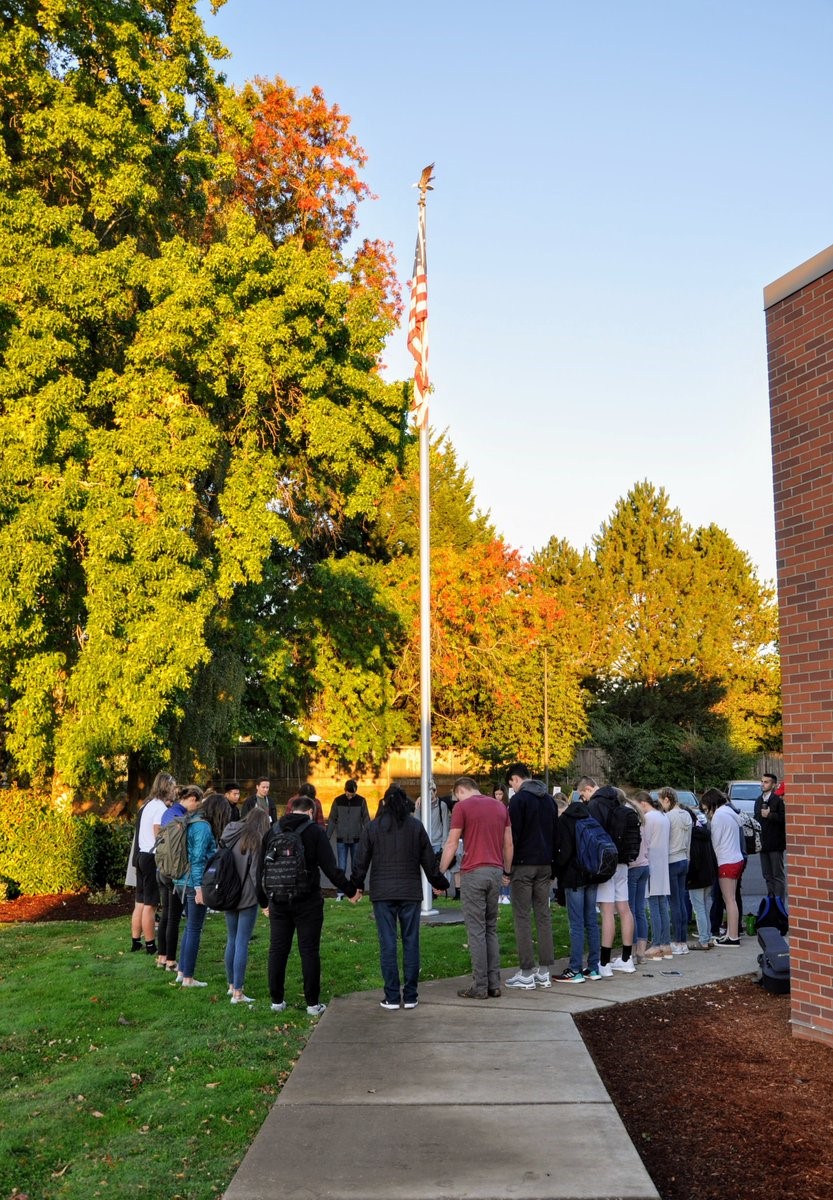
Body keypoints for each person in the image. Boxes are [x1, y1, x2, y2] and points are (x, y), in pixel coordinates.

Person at [258, 794, 358, 1017]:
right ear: (311, 812)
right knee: (309, 951)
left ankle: (276, 1000)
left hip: (278, 900)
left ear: (290, 809)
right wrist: (350, 890)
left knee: (277, 950)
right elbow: (331, 868)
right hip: (308, 901)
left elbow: (261, 869)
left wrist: (263, 900)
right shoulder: (314, 832)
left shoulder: (272, 832)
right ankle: (312, 1003)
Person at [352, 785, 448, 1009]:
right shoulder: (416, 827)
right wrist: (440, 884)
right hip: (410, 892)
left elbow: (361, 862)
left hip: (382, 893)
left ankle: (392, 996)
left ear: (384, 803)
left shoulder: (373, 828)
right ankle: (412, 995)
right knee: (411, 942)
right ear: (406, 803)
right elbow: (429, 862)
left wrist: (354, 887)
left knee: (388, 944)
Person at [439, 777, 513, 999]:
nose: (456, 800)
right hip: (495, 871)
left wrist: (440, 870)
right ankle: (494, 984)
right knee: (491, 928)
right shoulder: (500, 806)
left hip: (473, 872)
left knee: (476, 930)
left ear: (460, 791)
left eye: (456, 796)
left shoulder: (462, 807)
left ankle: (479, 986)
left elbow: (452, 843)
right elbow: (508, 843)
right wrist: (506, 871)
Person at [503, 763, 558, 989]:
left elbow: (512, 837)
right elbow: (555, 832)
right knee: (543, 915)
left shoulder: (518, 801)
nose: (512, 788)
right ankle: (544, 971)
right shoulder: (549, 800)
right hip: (545, 863)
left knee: (522, 917)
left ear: (516, 779)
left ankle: (526, 972)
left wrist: (507, 869)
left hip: (523, 865)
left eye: (511, 784)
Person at [176, 792, 230, 988]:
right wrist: (199, 889)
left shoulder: (193, 820)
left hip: (182, 880)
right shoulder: (203, 827)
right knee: (194, 928)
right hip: (193, 882)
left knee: (190, 927)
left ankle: (182, 972)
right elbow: (198, 859)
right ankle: (188, 977)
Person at [584, 780, 637, 976]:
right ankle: (626, 958)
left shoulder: (601, 808)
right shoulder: (625, 810)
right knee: (625, 908)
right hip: (624, 863)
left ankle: (604, 963)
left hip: (608, 863)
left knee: (607, 911)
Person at [220, 806, 271, 1004]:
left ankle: (232, 984)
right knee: (242, 941)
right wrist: (264, 900)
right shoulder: (255, 840)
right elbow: (256, 875)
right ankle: (238, 993)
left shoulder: (230, 831)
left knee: (232, 939)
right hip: (247, 895)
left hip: (228, 892)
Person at [554, 787, 600, 982]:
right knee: (591, 921)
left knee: (576, 924)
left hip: (574, 878)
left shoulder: (565, 821)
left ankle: (575, 968)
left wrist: (556, 870)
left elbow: (563, 853)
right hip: (591, 875)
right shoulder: (589, 817)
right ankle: (593, 967)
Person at [130, 770, 177, 955]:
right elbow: (158, 831)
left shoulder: (147, 804)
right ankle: (151, 945)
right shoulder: (159, 807)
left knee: (140, 902)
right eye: (173, 786)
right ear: (167, 786)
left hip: (141, 855)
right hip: (151, 857)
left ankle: (135, 941)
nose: (174, 790)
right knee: (151, 904)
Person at [155, 785, 202, 972]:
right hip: (174, 873)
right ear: (191, 799)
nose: (196, 807)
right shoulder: (182, 818)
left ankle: (161, 956)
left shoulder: (168, 813)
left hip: (161, 869)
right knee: (174, 917)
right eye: (196, 803)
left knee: (166, 914)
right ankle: (171, 961)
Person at [700, 788, 744, 947]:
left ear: (712, 803)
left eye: (706, 808)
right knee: (732, 899)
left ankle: (733, 937)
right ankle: (732, 933)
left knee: (729, 900)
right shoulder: (731, 812)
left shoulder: (718, 816)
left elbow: (715, 842)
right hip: (736, 858)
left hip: (726, 861)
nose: (707, 812)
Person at [634, 792, 672, 960]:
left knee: (654, 906)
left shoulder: (648, 819)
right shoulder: (663, 817)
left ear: (642, 804)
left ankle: (656, 944)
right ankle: (665, 943)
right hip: (662, 863)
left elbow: (644, 841)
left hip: (651, 863)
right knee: (662, 903)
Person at [657, 787, 693, 955]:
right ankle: (683, 941)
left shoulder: (669, 817)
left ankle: (677, 941)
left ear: (667, 800)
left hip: (672, 860)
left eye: (661, 802)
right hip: (684, 859)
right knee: (681, 900)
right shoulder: (687, 815)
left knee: (674, 902)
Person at [326, 779, 371, 898]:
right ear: (345, 790)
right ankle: (340, 893)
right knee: (341, 867)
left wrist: (370, 835)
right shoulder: (337, 801)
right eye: (348, 794)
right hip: (341, 838)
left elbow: (366, 819)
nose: (350, 796)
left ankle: (355, 892)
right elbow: (331, 819)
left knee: (356, 867)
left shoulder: (361, 801)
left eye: (352, 794)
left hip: (357, 838)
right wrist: (327, 837)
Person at [686, 804, 717, 950]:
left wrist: (689, 877)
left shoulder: (692, 836)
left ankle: (703, 939)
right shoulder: (704, 832)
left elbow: (694, 859)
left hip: (697, 877)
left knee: (699, 909)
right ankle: (708, 936)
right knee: (704, 906)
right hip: (708, 874)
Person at [755, 773, 786, 899]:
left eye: (766, 782)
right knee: (767, 875)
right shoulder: (758, 800)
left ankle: (779, 905)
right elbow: (756, 820)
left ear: (773, 785)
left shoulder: (778, 800)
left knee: (777, 876)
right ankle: (771, 904)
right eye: (762, 781)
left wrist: (770, 815)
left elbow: (784, 819)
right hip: (763, 845)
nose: (763, 784)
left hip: (775, 844)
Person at [626, 797, 650, 963]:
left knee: (630, 910)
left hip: (633, 867)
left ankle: (632, 951)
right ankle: (641, 951)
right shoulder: (642, 822)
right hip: (644, 865)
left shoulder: (629, 823)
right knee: (640, 910)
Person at [493, 785, 512, 904]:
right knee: (497, 866)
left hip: (505, 838)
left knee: (506, 866)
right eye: (496, 794)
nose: (498, 797)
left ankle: (506, 893)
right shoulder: (492, 806)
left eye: (500, 794)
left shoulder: (508, 807)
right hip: (496, 839)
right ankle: (498, 893)